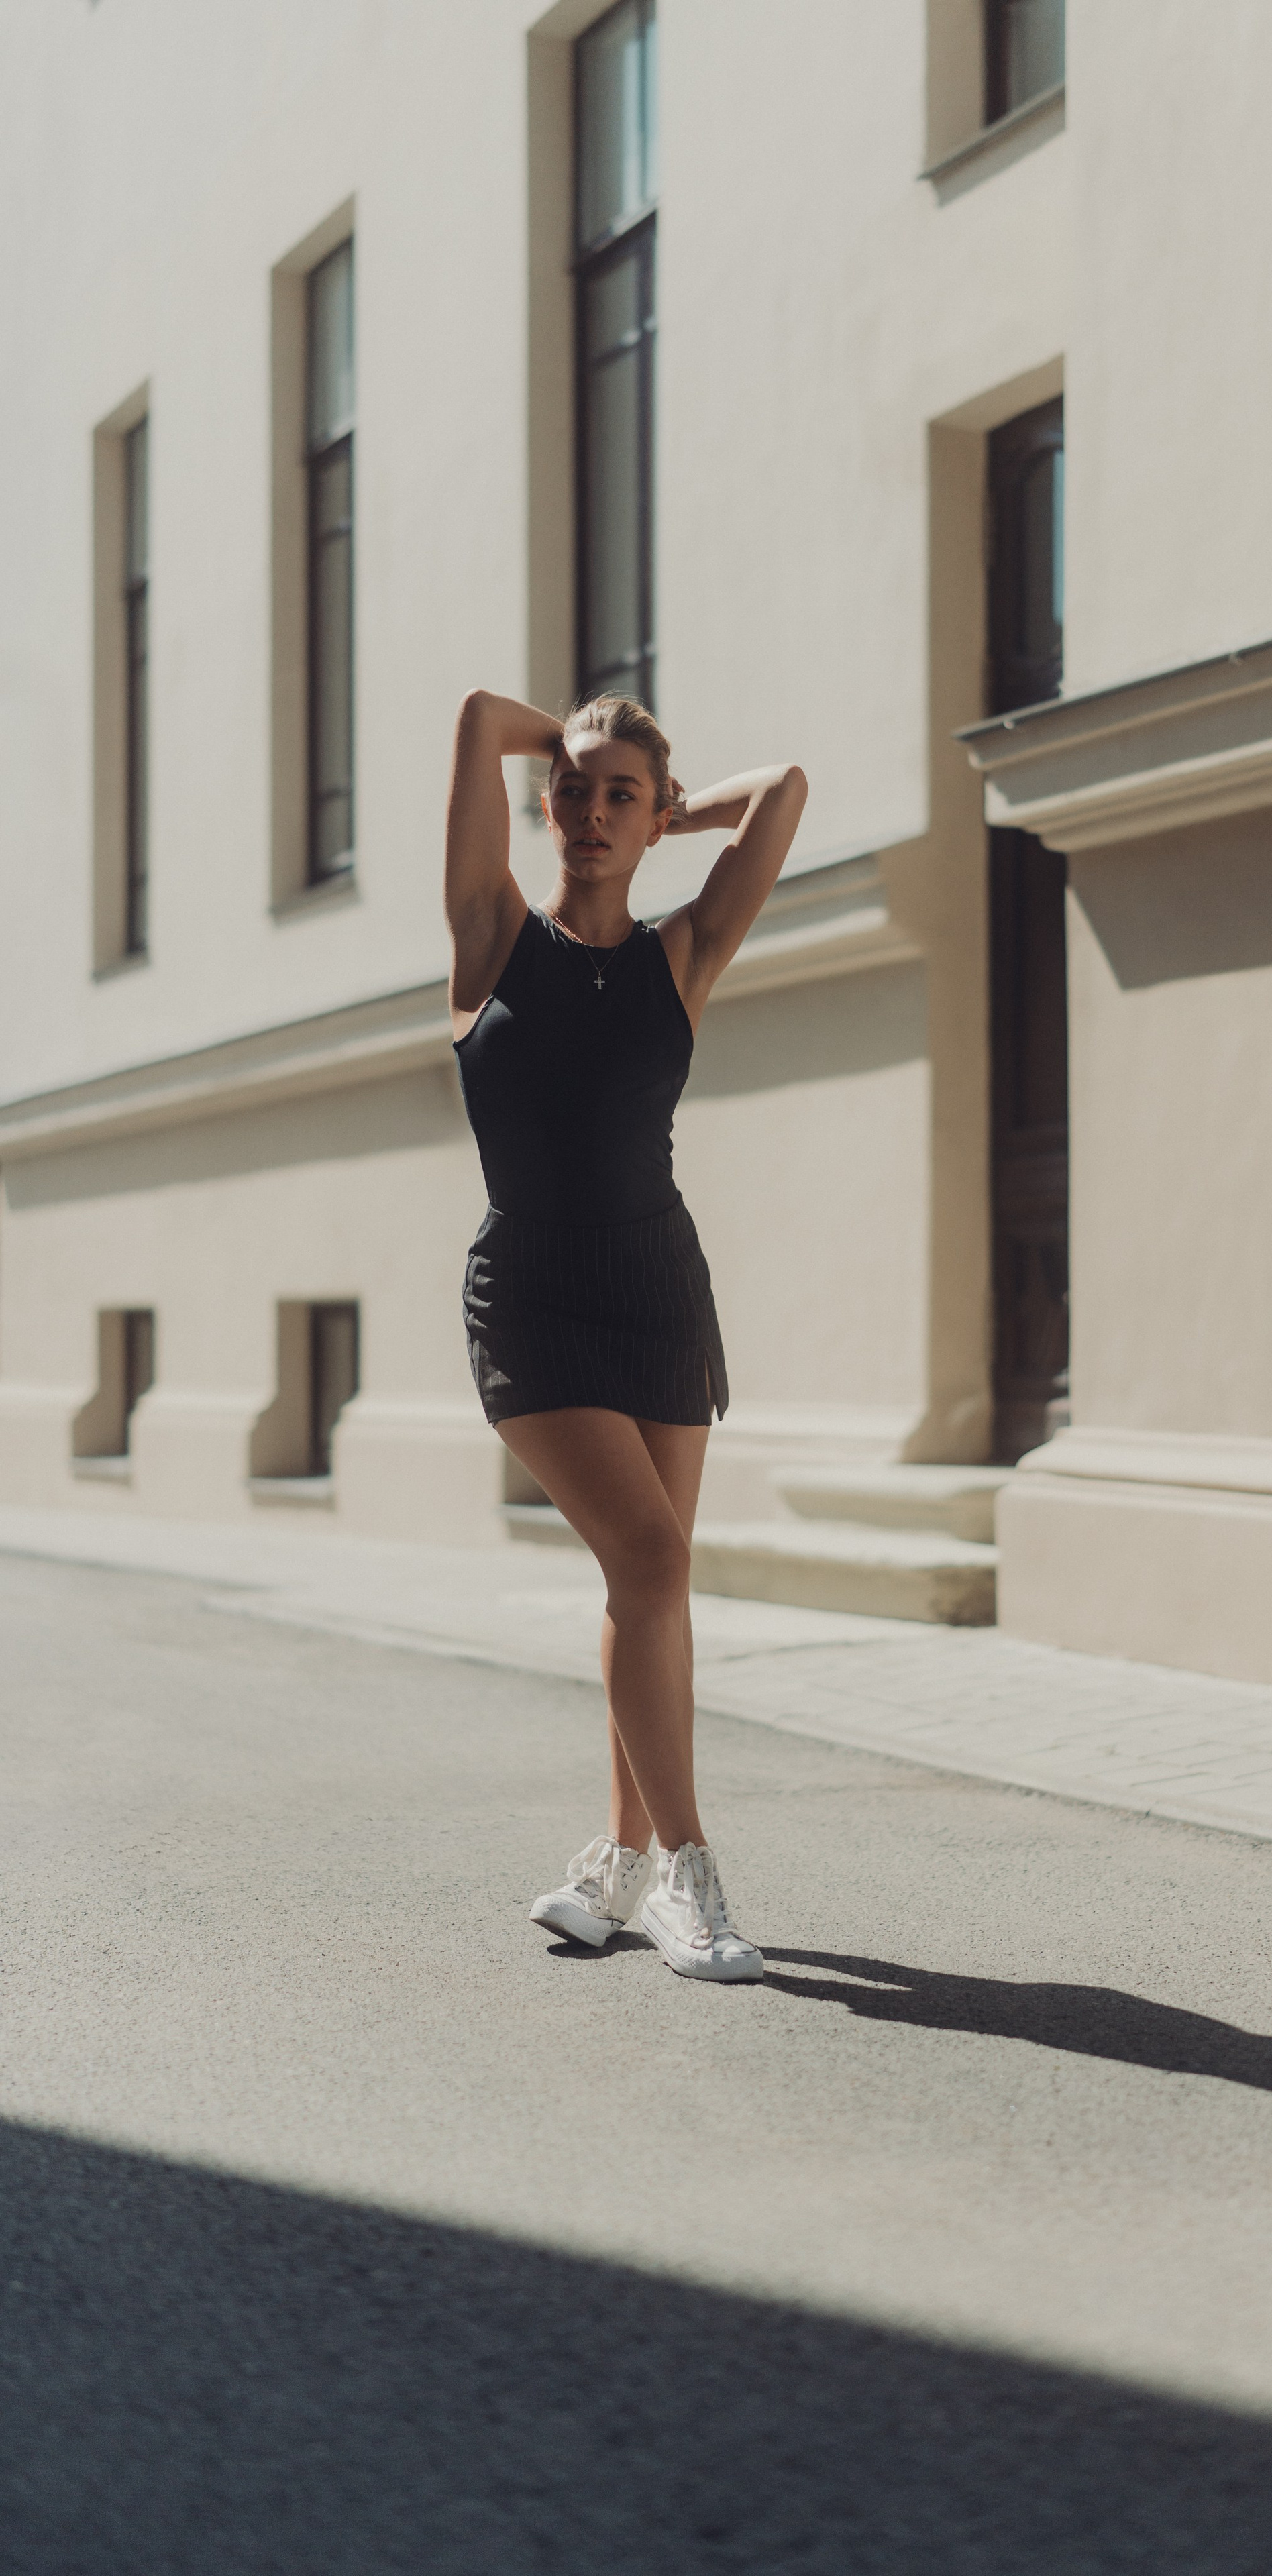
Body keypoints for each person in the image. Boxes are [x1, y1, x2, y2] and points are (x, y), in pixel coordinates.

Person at [444, 688, 807, 1983]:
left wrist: (672, 805)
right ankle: (690, 1877)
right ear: (548, 807)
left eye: (622, 798)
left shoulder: (681, 956)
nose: (593, 813)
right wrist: (562, 745)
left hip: (658, 1287)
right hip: (532, 1293)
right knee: (652, 1559)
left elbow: (785, 793)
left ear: (652, 821)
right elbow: (483, 718)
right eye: (578, 793)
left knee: (646, 1585)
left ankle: (616, 1862)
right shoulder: (491, 933)